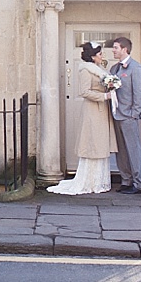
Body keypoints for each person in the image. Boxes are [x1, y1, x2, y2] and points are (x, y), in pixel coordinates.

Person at [47, 41, 116, 195]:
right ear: (92, 57)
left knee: (100, 144)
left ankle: (100, 180)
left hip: (102, 110)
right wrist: (105, 95)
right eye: (99, 54)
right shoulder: (86, 70)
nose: (102, 56)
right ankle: (90, 181)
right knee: (93, 144)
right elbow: (84, 91)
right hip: (93, 111)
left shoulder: (99, 69)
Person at [109, 36, 141, 194]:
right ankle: (126, 180)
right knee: (121, 151)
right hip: (116, 114)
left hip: (128, 116)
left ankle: (139, 184)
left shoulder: (135, 68)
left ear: (125, 49)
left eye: (116, 48)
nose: (113, 50)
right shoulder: (113, 68)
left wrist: (134, 113)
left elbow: (139, 94)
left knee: (133, 150)